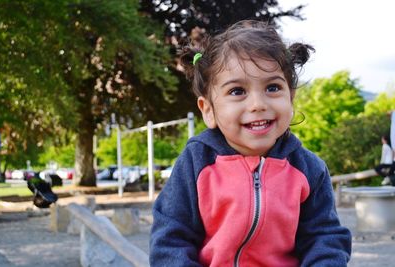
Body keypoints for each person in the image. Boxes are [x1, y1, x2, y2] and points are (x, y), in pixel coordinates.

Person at [150, 20, 352, 266]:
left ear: (291, 98)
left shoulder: (309, 170)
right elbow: (170, 239)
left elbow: (325, 239)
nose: (258, 104)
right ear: (208, 110)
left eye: (273, 87)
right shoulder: (196, 163)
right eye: (237, 91)